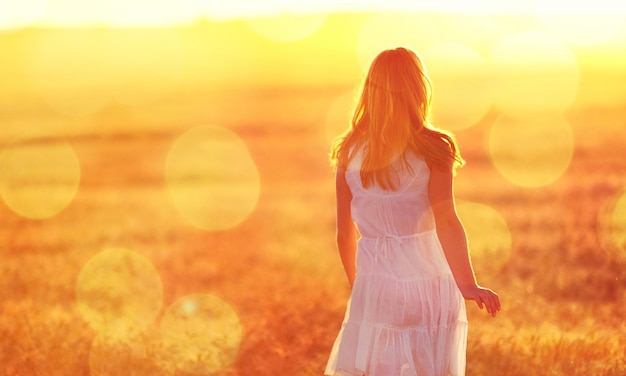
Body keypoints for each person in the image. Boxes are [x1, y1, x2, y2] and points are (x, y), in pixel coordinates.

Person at [324, 47, 501, 376]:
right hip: (431, 282)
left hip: (377, 284)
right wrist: (467, 284)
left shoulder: (349, 149)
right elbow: (446, 220)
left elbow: (344, 232)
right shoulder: (435, 147)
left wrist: (360, 286)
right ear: (418, 89)